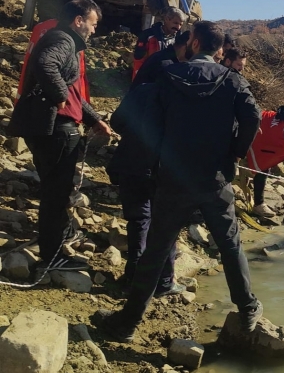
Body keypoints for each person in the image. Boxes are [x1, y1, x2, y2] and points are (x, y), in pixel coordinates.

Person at [95, 21, 263, 342]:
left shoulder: (168, 78)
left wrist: (160, 155)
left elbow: (150, 124)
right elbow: (253, 117)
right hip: (214, 178)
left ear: (195, 43)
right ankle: (248, 309)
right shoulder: (233, 81)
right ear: (221, 50)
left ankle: (128, 322)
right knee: (230, 245)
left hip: (173, 179)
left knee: (156, 249)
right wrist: (236, 153)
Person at [7, 0, 112, 271]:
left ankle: (58, 240)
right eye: (93, 23)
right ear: (79, 21)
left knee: (58, 191)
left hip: (53, 127)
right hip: (55, 130)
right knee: (56, 195)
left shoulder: (66, 42)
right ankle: (52, 256)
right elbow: (45, 64)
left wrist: (94, 119)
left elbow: (75, 92)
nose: (94, 30)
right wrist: (59, 94)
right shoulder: (63, 40)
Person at [107, 81, 182, 297]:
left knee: (139, 221)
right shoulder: (184, 93)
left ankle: (133, 278)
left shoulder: (143, 88)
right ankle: (164, 282)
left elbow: (117, 120)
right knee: (166, 225)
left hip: (131, 162)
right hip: (163, 168)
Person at [131, 7, 186, 79]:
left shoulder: (178, 41)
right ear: (166, 19)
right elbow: (139, 60)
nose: (178, 27)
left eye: (180, 24)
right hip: (147, 80)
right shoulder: (148, 35)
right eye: (175, 23)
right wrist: (138, 81)